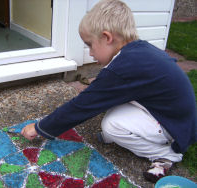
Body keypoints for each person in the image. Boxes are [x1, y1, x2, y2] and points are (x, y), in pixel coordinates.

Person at [21, 0, 197, 183]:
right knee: (108, 102)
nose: (90, 53)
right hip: (177, 117)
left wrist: (40, 127)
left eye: (90, 45)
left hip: (175, 127)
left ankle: (166, 155)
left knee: (112, 125)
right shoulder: (137, 52)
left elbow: (82, 106)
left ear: (107, 37)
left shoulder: (123, 67)